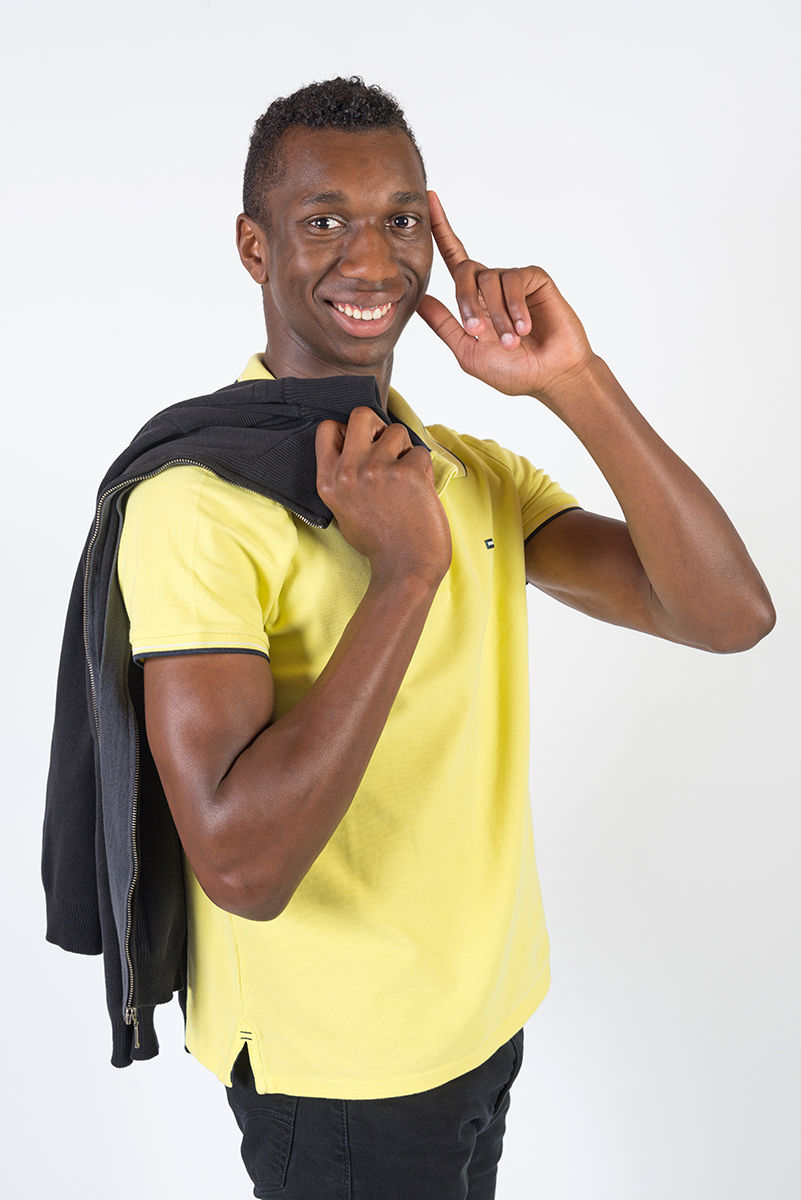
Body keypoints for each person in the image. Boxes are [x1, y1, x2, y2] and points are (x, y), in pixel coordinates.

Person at [49, 76, 775, 1199]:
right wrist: (406, 574)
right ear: (254, 247)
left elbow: (728, 615)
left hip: (482, 1023)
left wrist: (573, 381)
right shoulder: (197, 506)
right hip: (340, 1076)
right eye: (323, 220)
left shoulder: (466, 473)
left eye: (401, 219)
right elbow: (241, 867)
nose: (372, 257)